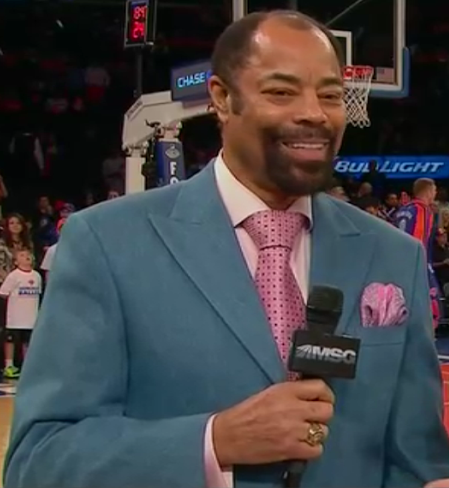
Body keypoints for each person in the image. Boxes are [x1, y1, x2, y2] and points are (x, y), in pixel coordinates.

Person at [4, 10, 449, 488]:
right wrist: (213, 442)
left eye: (330, 95)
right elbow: (38, 462)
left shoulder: (393, 255)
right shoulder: (106, 243)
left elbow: (417, 463)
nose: (314, 113)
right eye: (281, 92)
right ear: (221, 98)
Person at [394, 178, 440, 328]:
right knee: (432, 304)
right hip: (417, 263)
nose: (436, 193)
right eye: (434, 190)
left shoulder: (402, 210)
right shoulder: (422, 209)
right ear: (428, 191)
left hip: (399, 263)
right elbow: (418, 240)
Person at [0, 249, 41, 379]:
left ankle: (27, 366)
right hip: (15, 317)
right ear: (16, 262)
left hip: (31, 317)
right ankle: (9, 365)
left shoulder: (37, 276)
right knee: (10, 340)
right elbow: (3, 293)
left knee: (27, 342)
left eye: (29, 255)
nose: (27, 257)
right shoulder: (14, 276)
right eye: (22, 255)